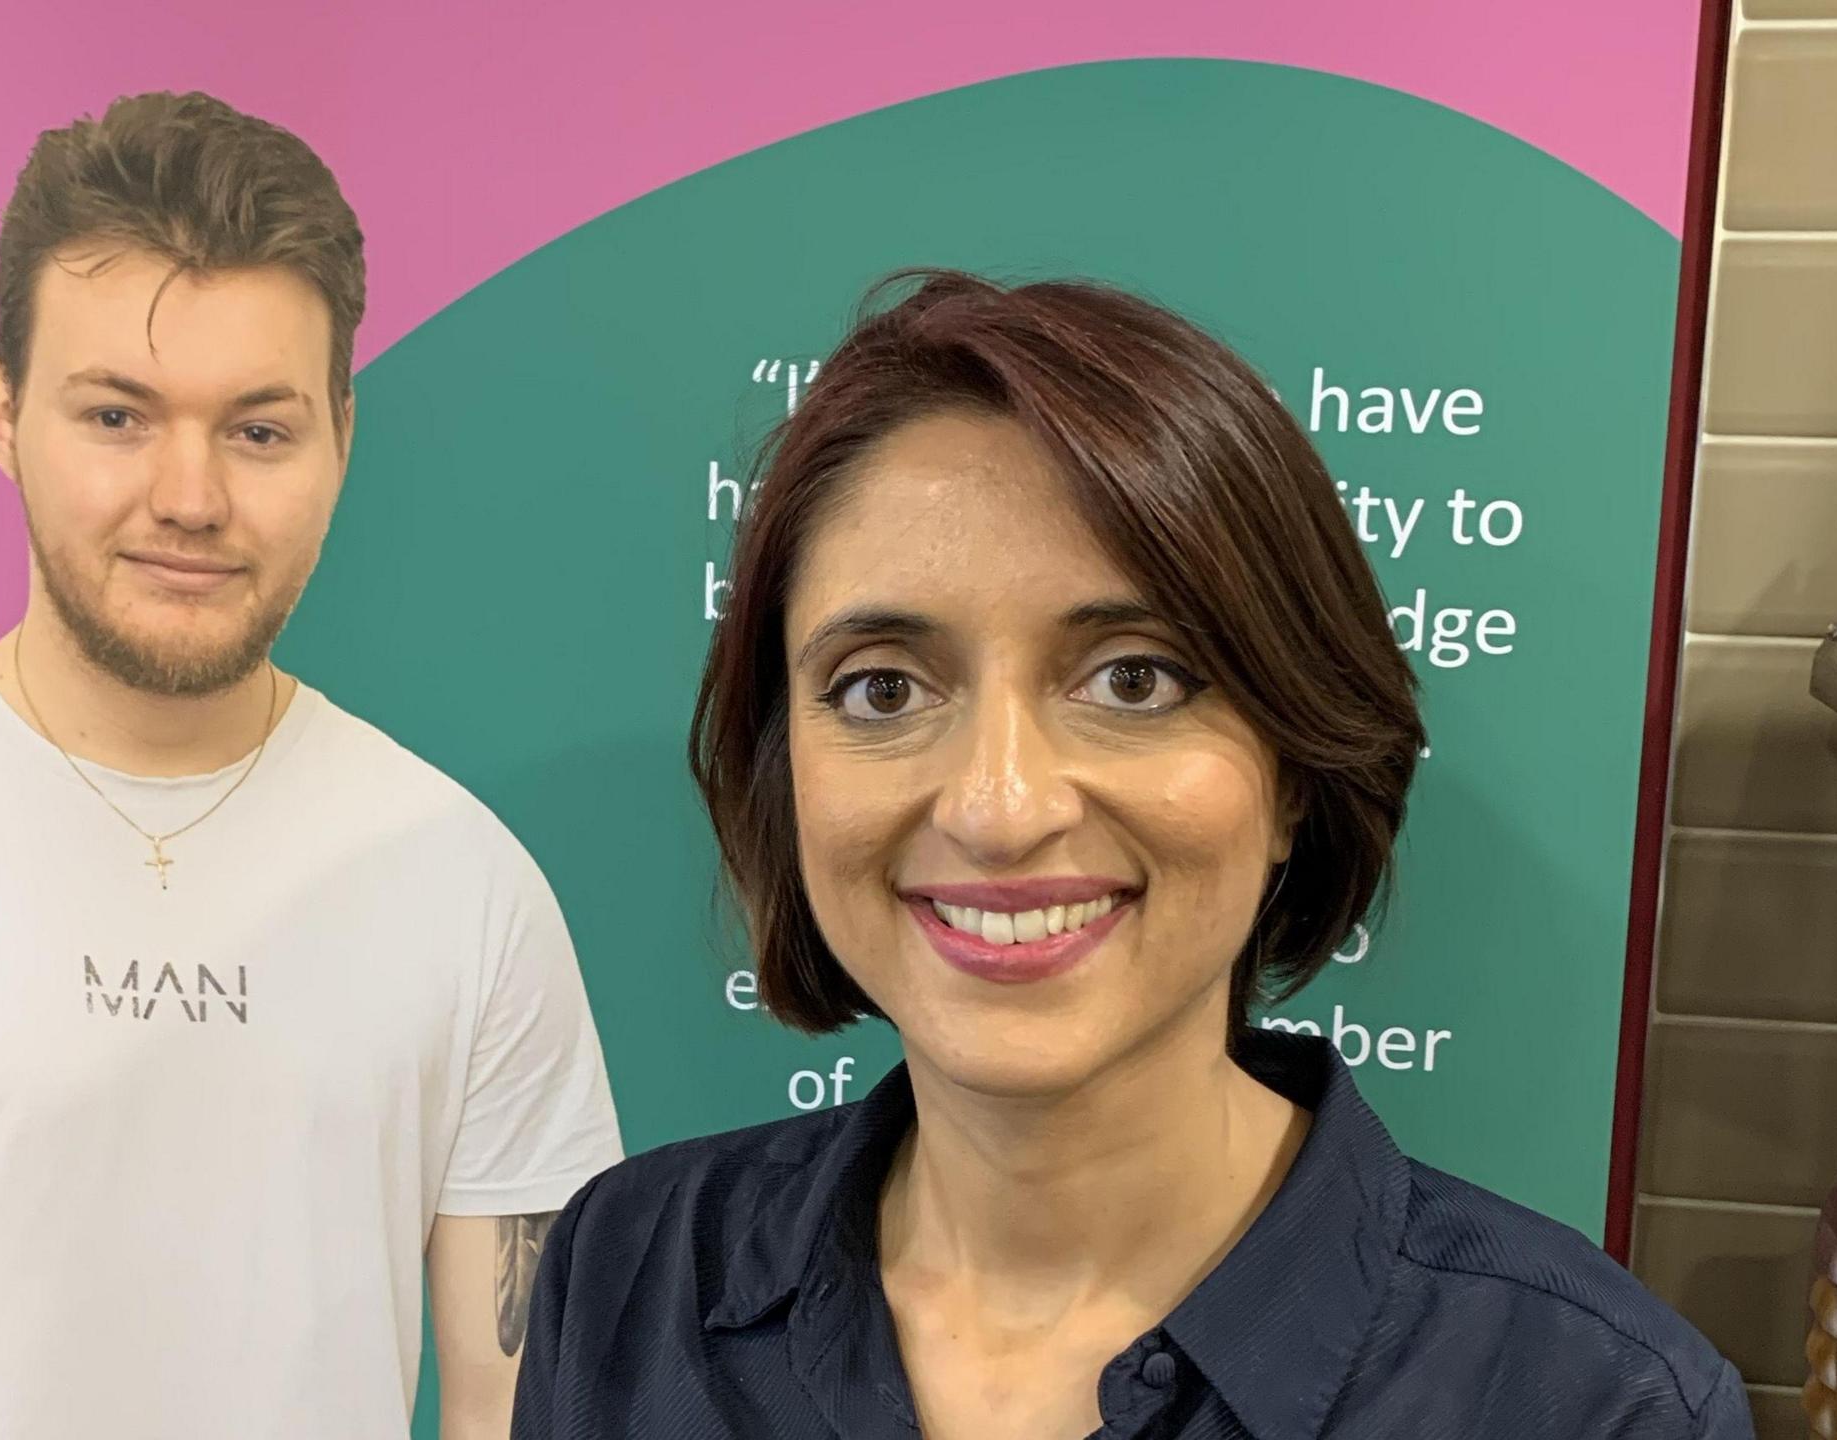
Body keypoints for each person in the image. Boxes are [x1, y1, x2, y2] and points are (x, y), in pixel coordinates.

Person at [510, 271, 1751, 1439]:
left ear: (1292, 775)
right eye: (883, 689)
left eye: (1134, 679)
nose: (998, 808)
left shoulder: (1588, 1402)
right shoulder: (634, 1271)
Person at [0, 91, 622, 1440]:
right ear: (3, 411)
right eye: (118, 415)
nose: (190, 497)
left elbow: (513, 1412)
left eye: (258, 429)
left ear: (341, 442)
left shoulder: (466, 884)